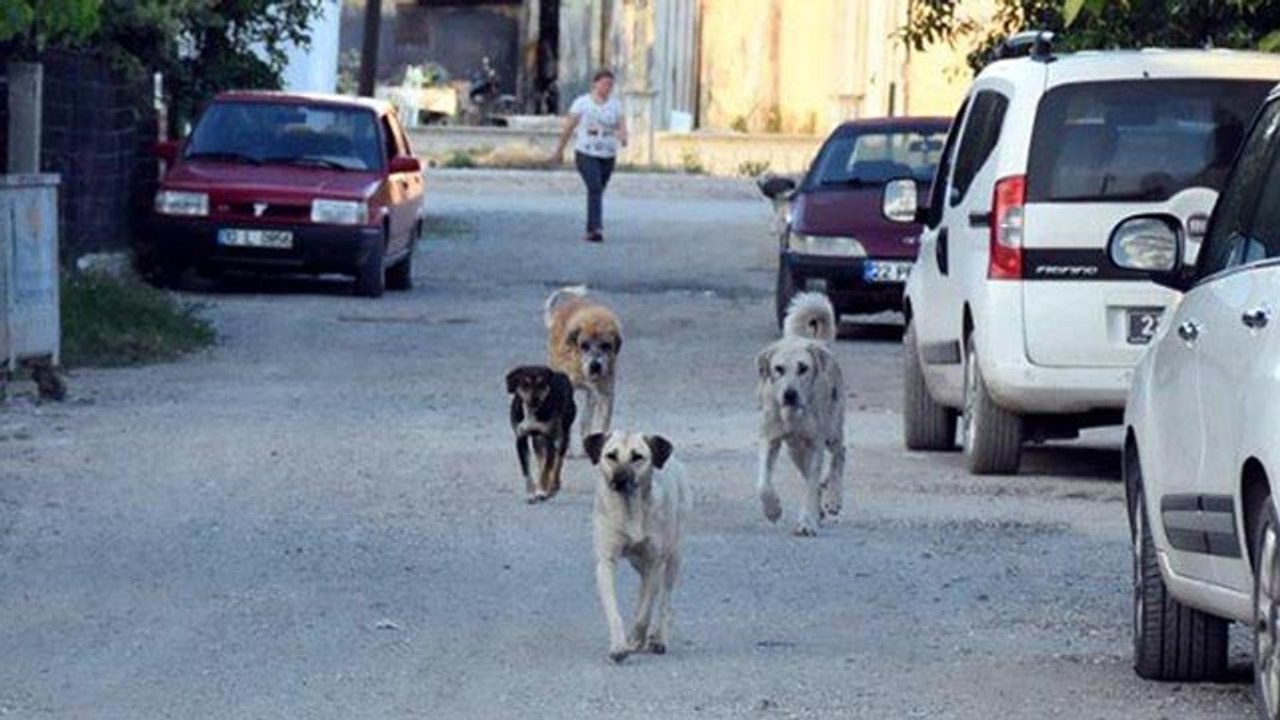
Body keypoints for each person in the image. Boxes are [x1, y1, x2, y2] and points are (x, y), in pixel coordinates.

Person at [551, 68, 628, 243]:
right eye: (604, 84)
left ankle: (592, 226)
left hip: (607, 153)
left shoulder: (615, 105)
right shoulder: (582, 103)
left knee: (598, 189)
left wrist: (623, 136)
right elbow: (569, 127)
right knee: (595, 187)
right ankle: (595, 229)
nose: (607, 88)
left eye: (610, 85)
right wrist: (559, 150)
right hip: (586, 152)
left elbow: (621, 124)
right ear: (595, 84)